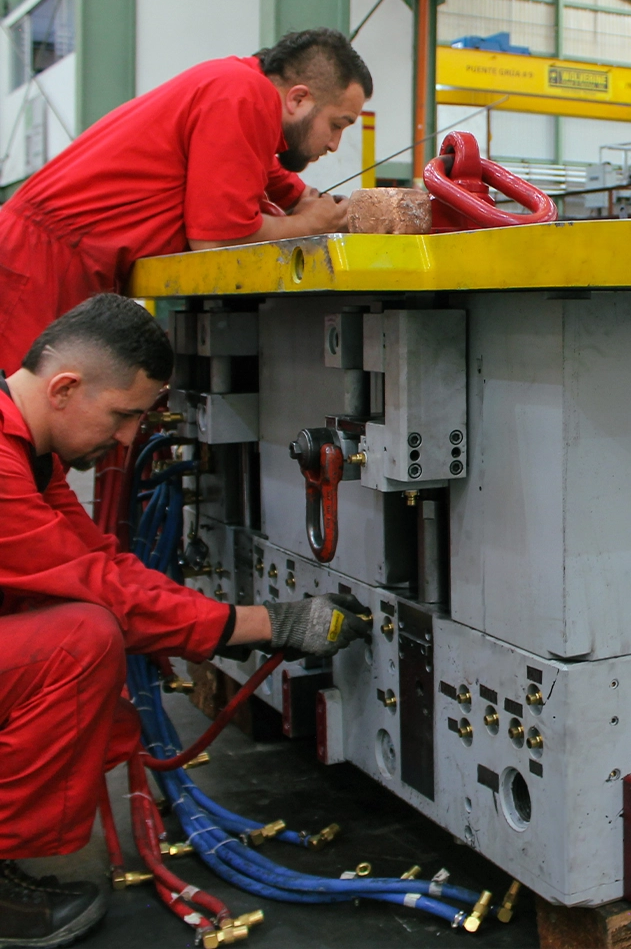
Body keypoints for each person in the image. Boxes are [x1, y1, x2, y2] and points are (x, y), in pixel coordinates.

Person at [0, 294, 372, 947]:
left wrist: (219, 621)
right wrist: (263, 623)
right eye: (122, 416)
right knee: (78, 640)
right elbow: (102, 595)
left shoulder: (28, 450)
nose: (124, 439)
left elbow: (97, 560)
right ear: (64, 387)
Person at [0, 27, 373, 375]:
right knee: (22, 420)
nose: (334, 143)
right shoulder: (243, 93)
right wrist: (308, 225)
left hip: (55, 264)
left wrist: (320, 207)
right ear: (299, 98)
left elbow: (282, 185)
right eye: (337, 124)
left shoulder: (238, 91)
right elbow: (219, 238)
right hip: (36, 267)